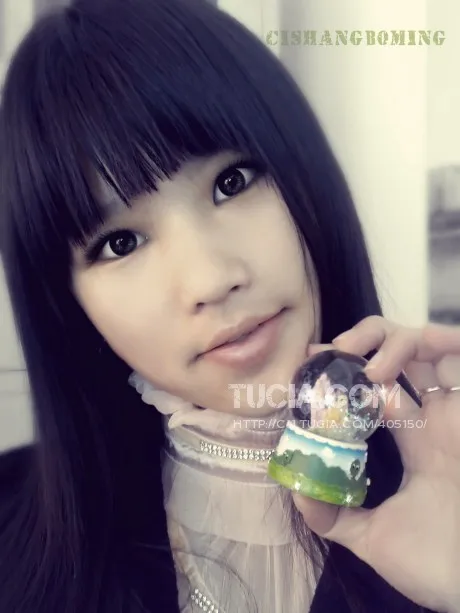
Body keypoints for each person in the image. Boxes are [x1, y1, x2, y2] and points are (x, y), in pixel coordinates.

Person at [0, 0, 459, 612]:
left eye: (231, 183)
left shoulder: (446, 478)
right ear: (66, 305)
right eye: (121, 243)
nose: (212, 280)